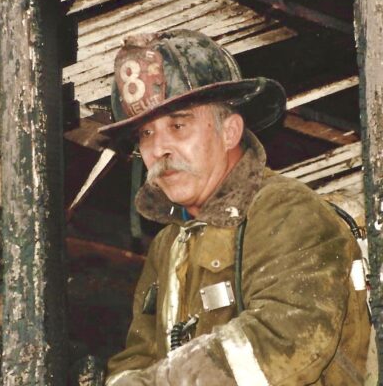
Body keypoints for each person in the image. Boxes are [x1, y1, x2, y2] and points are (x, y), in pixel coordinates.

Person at [99, 30, 370, 385]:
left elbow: (288, 341)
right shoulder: (168, 245)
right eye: (146, 134)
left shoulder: (288, 212)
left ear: (229, 132)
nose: (159, 149)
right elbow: (137, 357)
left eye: (178, 125)